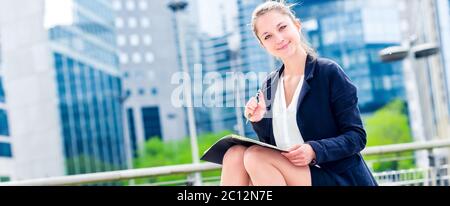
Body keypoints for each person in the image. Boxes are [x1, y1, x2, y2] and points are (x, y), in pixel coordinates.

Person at [220, 0, 377, 186]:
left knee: (255, 157)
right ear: (263, 45)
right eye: (268, 36)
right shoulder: (269, 86)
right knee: (235, 155)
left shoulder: (327, 72)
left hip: (337, 176)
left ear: (297, 25)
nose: (278, 39)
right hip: (295, 175)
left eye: (282, 27)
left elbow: (356, 137)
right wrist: (260, 120)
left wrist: (314, 150)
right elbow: (272, 148)